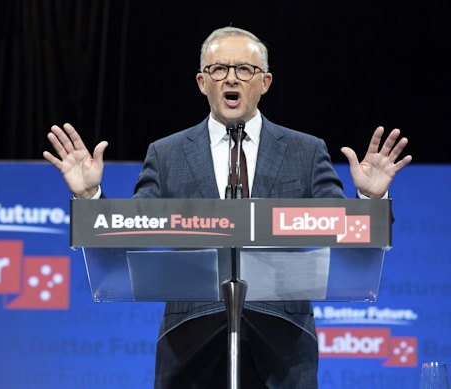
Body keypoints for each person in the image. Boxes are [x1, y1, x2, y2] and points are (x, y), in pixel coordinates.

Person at [43, 26, 411, 389]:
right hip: (190, 340)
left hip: (283, 343)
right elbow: (130, 233)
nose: (230, 79)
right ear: (202, 82)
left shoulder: (305, 151)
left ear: (265, 82)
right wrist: (90, 196)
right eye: (219, 69)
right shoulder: (167, 154)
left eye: (244, 70)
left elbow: (348, 238)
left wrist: (370, 201)